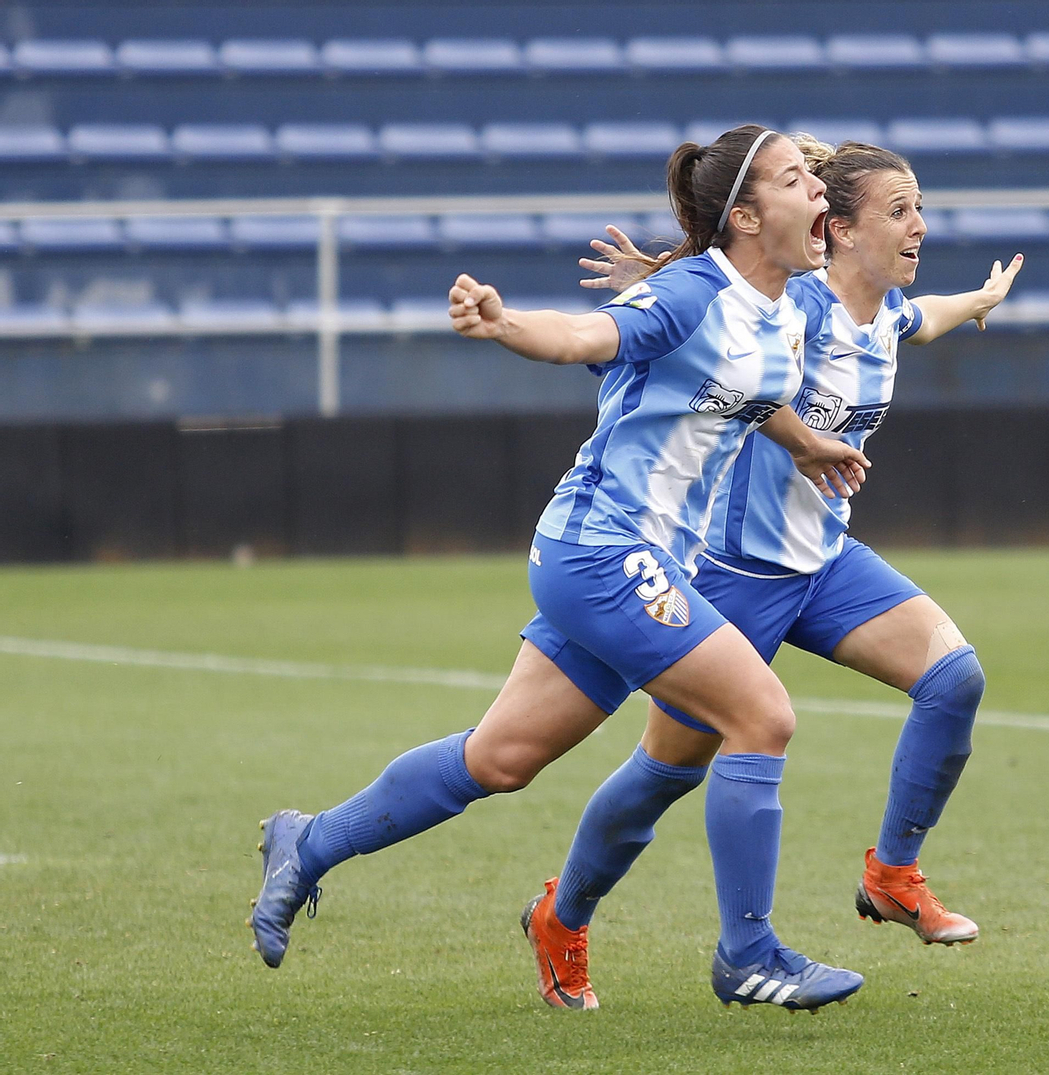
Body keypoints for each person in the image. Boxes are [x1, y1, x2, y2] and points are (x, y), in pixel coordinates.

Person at [250, 125, 876, 1014]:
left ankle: (306, 842)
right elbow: (586, 336)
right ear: (743, 215)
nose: (819, 193)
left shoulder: (776, 305)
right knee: (762, 715)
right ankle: (749, 950)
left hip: (621, 557)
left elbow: (751, 392)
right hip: (604, 551)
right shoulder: (693, 292)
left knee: (499, 759)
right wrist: (507, 325)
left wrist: (807, 442)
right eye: (793, 181)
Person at [522, 135, 1024, 1008]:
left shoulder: (887, 315)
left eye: (920, 208)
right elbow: (724, 332)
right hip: (731, 574)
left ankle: (893, 875)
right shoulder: (803, 308)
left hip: (825, 564)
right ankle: (562, 914)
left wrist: (979, 298)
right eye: (900, 211)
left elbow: (925, 315)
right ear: (844, 230)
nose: (920, 226)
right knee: (661, 779)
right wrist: (667, 278)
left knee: (954, 677)